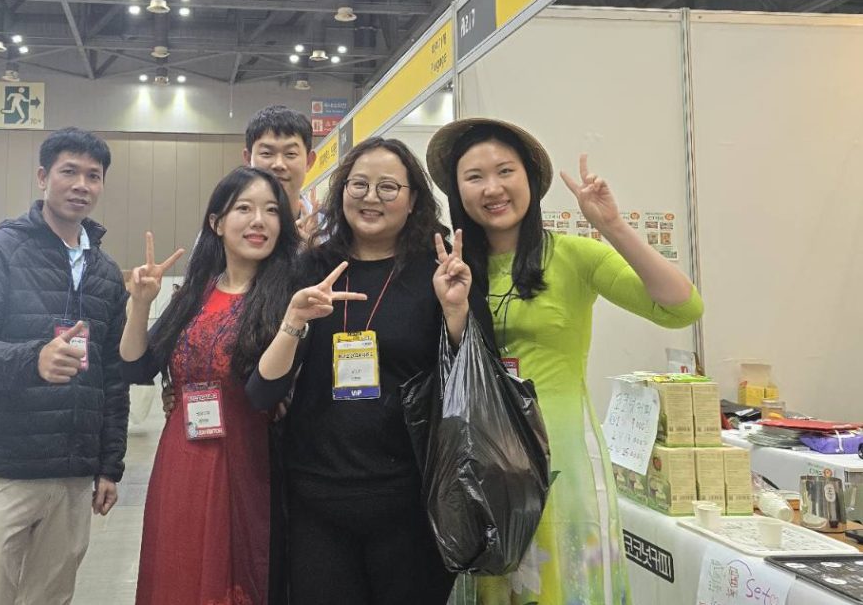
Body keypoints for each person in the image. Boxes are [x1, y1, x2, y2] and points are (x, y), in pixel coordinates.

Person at [424, 118, 704, 605]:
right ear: (457, 191)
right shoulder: (450, 265)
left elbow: (681, 307)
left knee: (562, 586)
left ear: (530, 179)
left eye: (505, 171)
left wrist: (612, 226)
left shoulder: (574, 256)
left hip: (562, 457)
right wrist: (453, 313)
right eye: (474, 177)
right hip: (481, 463)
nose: (492, 188)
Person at [246, 137, 461, 605]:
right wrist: (294, 321)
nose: (370, 197)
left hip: (411, 498)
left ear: (413, 201)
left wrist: (457, 312)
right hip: (317, 495)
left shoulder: (438, 272)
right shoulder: (311, 267)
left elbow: (468, 379)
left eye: (388, 187)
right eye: (359, 184)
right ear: (341, 192)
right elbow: (263, 391)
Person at [0, 127, 130, 605]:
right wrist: (34, 359)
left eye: (93, 175)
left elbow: (112, 378)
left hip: (71, 473)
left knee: (50, 595)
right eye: (69, 172)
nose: (81, 185)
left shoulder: (106, 273)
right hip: (2, 466)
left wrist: (109, 465)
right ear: (43, 177)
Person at [119, 167, 314, 605]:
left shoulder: (288, 296)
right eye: (243, 208)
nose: (258, 221)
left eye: (270, 211)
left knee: (239, 574)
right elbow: (136, 367)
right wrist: (139, 305)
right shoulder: (193, 293)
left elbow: (265, 390)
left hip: (248, 458)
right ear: (217, 222)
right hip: (182, 457)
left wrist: (293, 325)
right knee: (178, 573)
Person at [243, 105, 319, 240]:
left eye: (290, 154)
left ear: (309, 161)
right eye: (266, 153)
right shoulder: (229, 226)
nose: (279, 164)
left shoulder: (328, 229)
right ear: (248, 159)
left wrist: (316, 255)